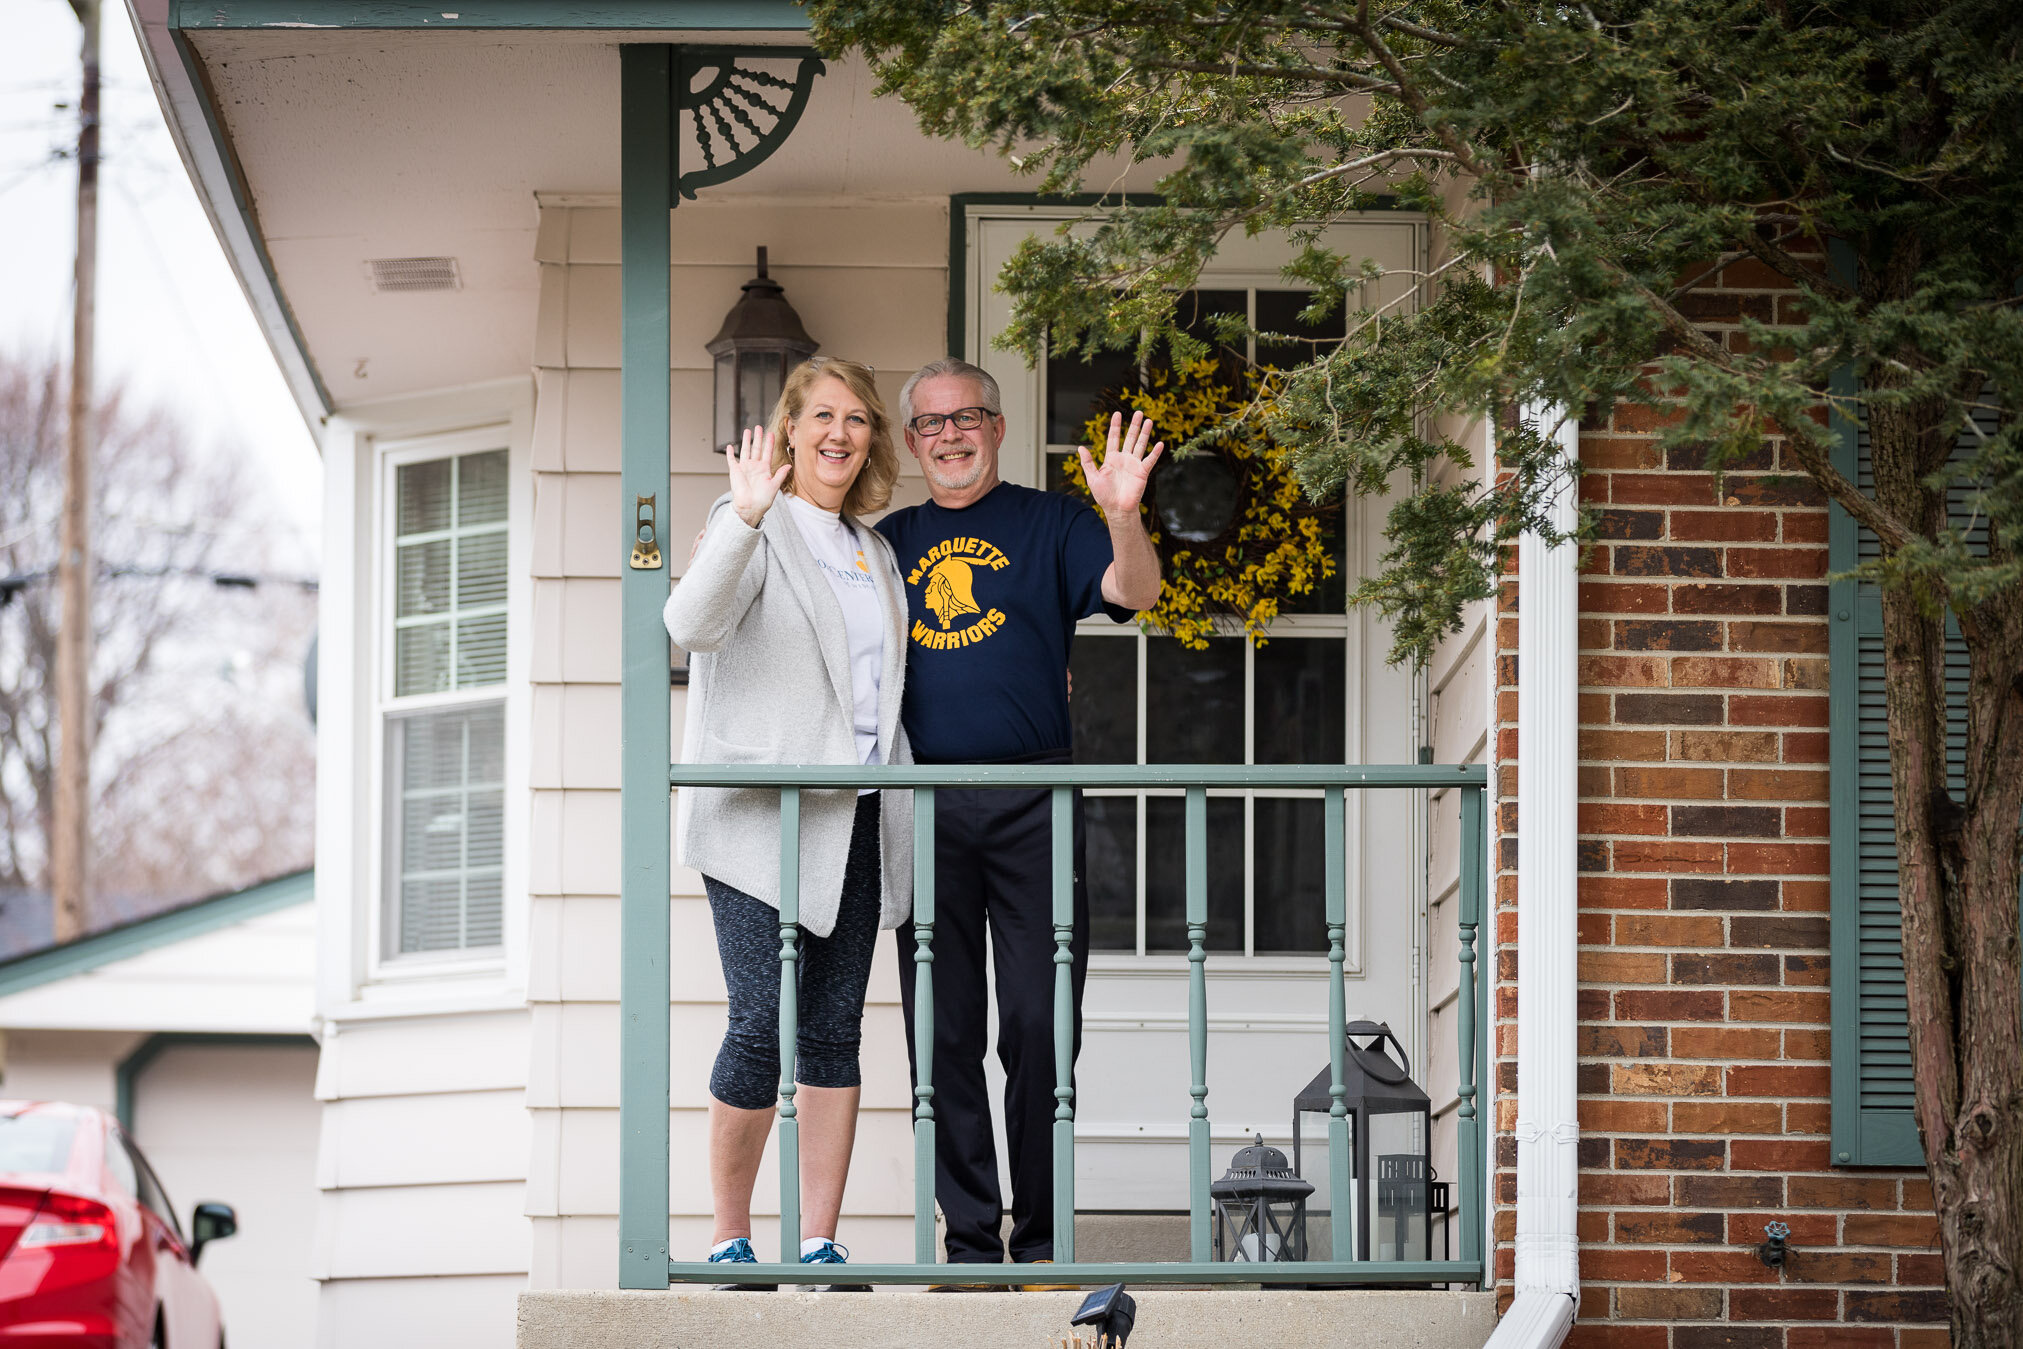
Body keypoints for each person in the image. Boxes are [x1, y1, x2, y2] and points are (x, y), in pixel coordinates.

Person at [874, 357, 1163, 1275]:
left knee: (1040, 1024)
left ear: (996, 428)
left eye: (967, 418)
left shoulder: (1052, 524)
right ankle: (967, 1243)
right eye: (929, 422)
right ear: (912, 438)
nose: (949, 434)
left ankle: (1038, 1242)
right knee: (942, 1030)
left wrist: (1122, 512)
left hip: (1036, 798)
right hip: (921, 805)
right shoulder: (887, 542)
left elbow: (1136, 592)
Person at [663, 356, 914, 1288]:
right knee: (759, 1023)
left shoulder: (874, 550)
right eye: (821, 416)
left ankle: (818, 1241)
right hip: (757, 819)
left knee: (834, 1029)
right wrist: (745, 518)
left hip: (856, 813)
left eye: (856, 418)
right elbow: (689, 624)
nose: (838, 433)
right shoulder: (749, 523)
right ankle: (732, 1236)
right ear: (789, 427)